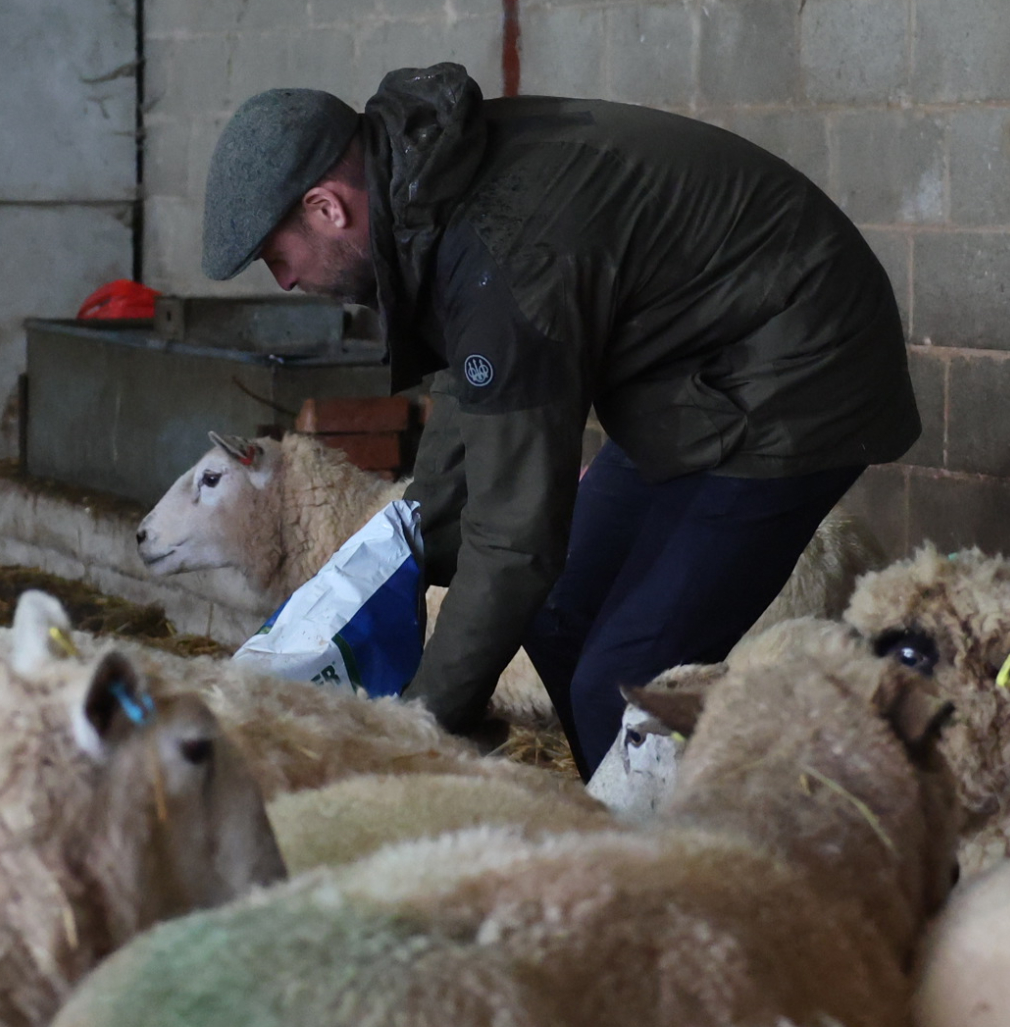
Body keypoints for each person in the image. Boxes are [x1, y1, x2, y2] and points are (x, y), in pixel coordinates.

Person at [200, 63, 919, 778]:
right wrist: (395, 557)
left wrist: (414, 729)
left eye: (276, 257)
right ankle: (624, 818)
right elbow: (470, 395)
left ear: (327, 207)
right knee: (557, 620)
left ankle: (705, 864)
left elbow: (517, 537)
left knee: (625, 684)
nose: (286, 280)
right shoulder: (428, 193)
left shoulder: (499, 252)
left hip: (798, 370)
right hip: (695, 374)